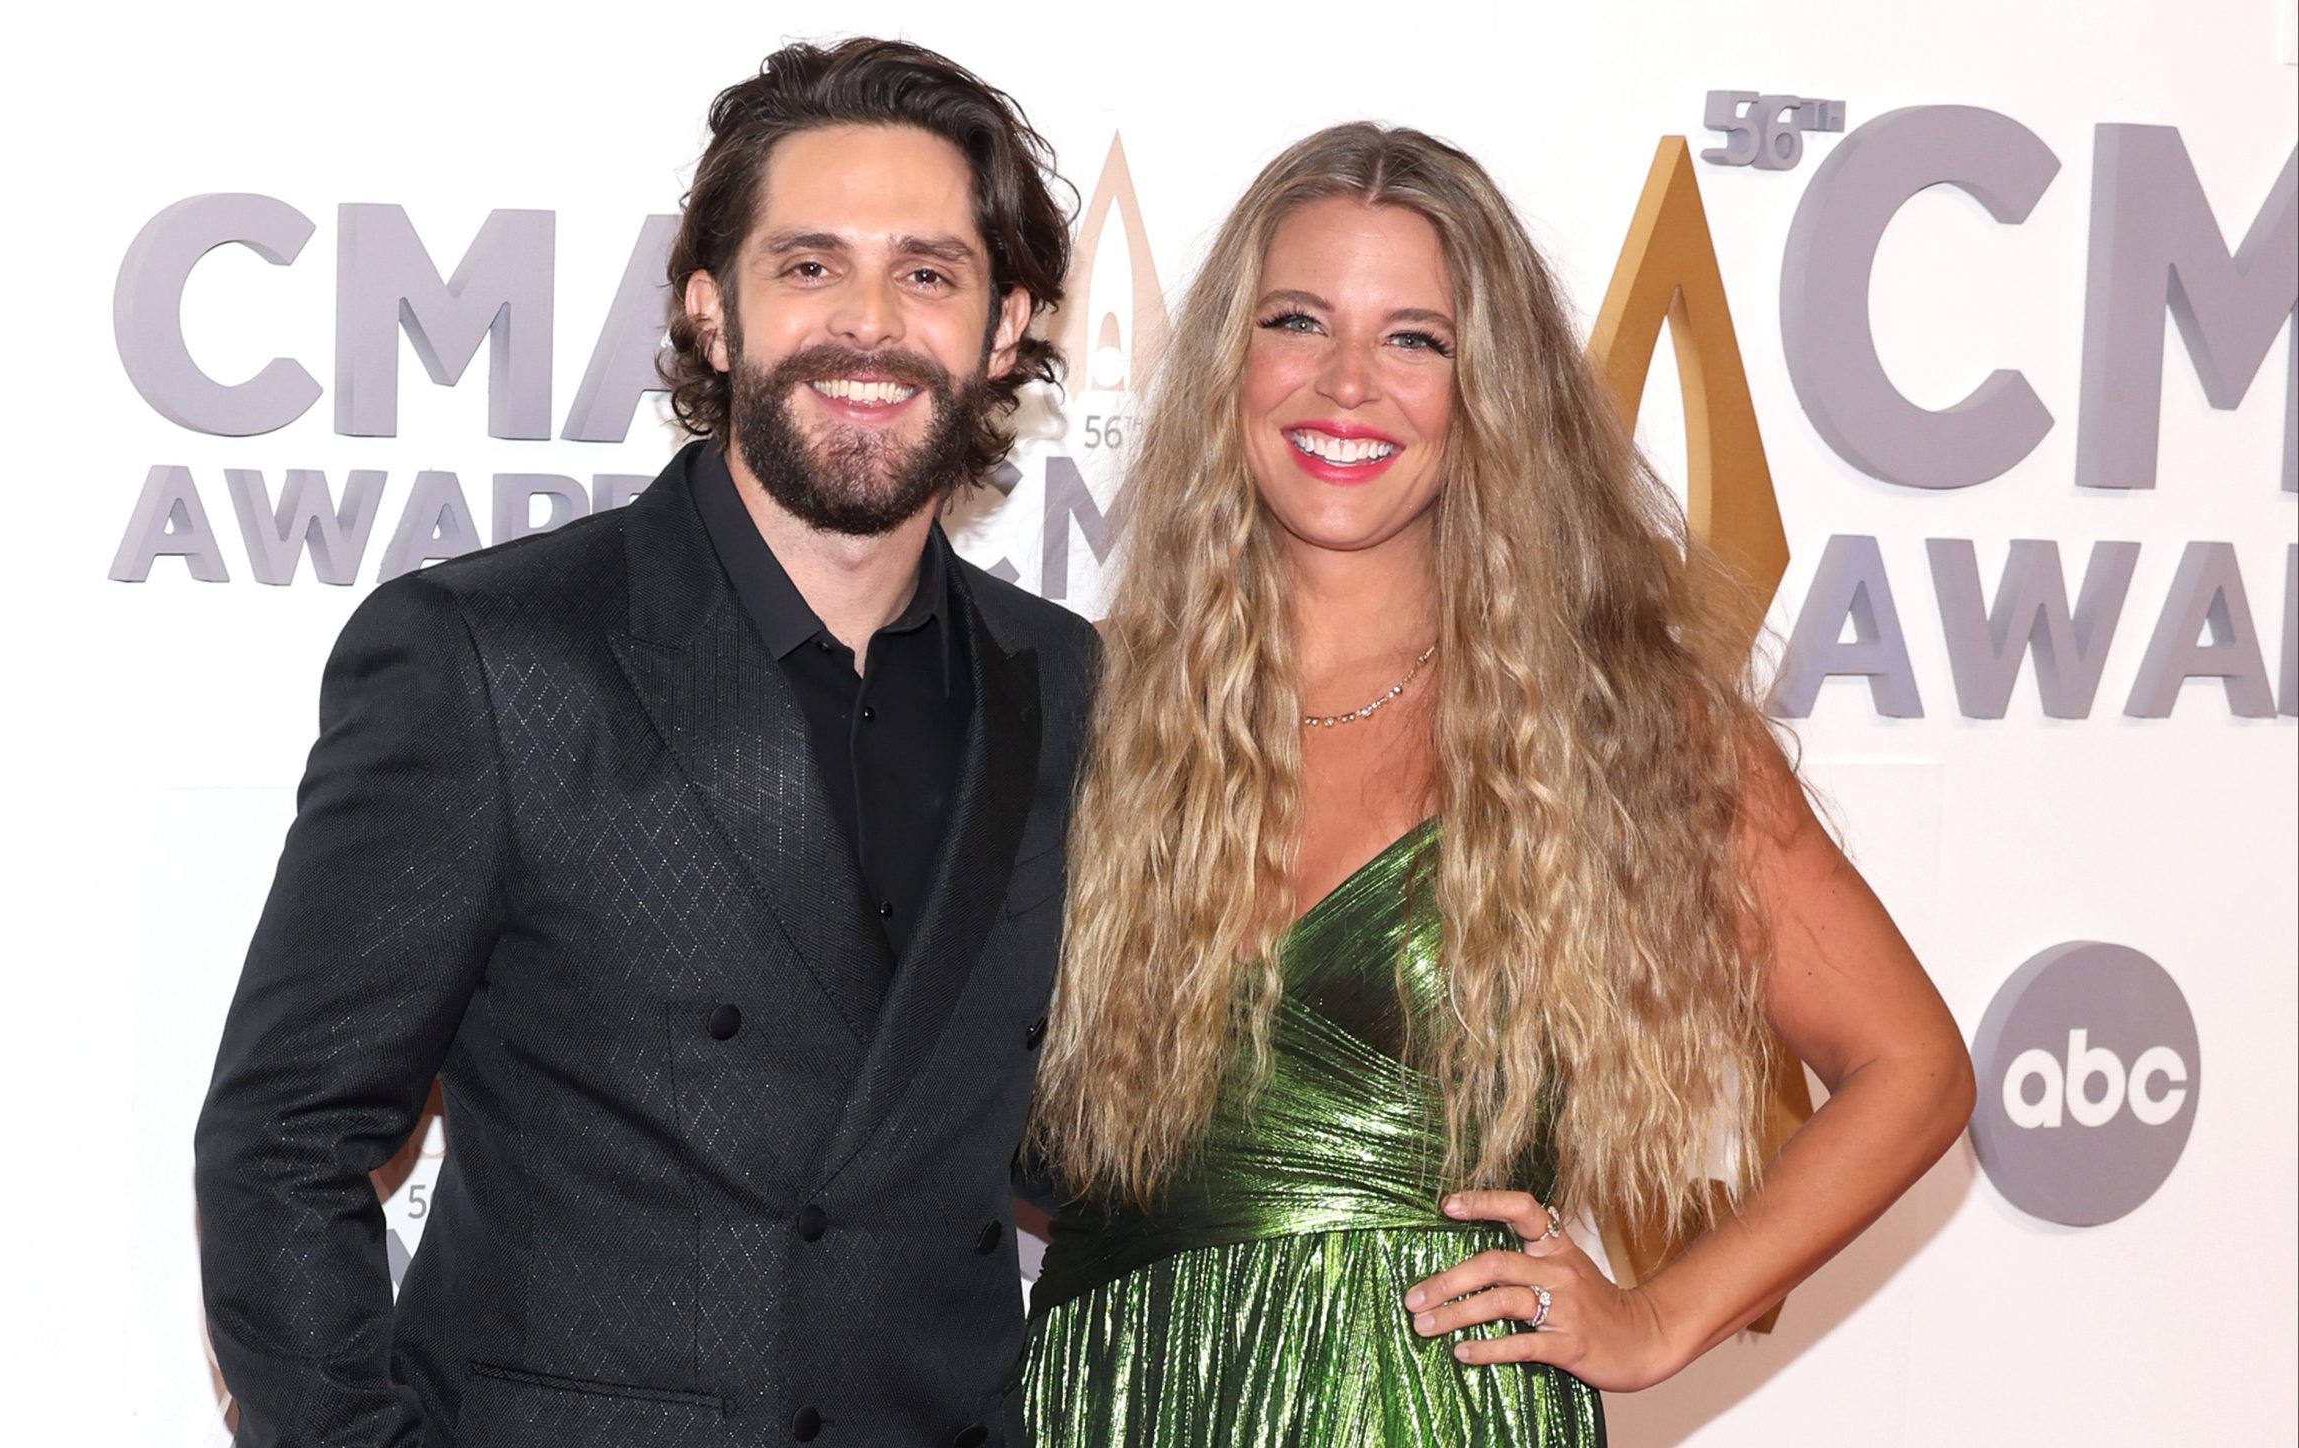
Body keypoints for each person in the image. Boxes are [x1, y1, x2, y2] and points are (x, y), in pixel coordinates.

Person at [194, 39, 1095, 1448]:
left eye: (928, 272)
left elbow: (1065, 1132)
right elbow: (284, 1140)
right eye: (809, 266)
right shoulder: (492, 658)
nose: (869, 323)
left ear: (1004, 327)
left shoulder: (1062, 681)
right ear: (711, 311)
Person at [1018, 123, 1975, 1447]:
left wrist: (1656, 1320)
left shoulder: (1616, 718)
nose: (1347, 384)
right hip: (1115, 1392)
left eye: (1418, 338)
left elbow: (1912, 1067)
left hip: (1428, 1406)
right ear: (1232, 361)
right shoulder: (1076, 703)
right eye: (1299, 321)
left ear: (1493, 391)